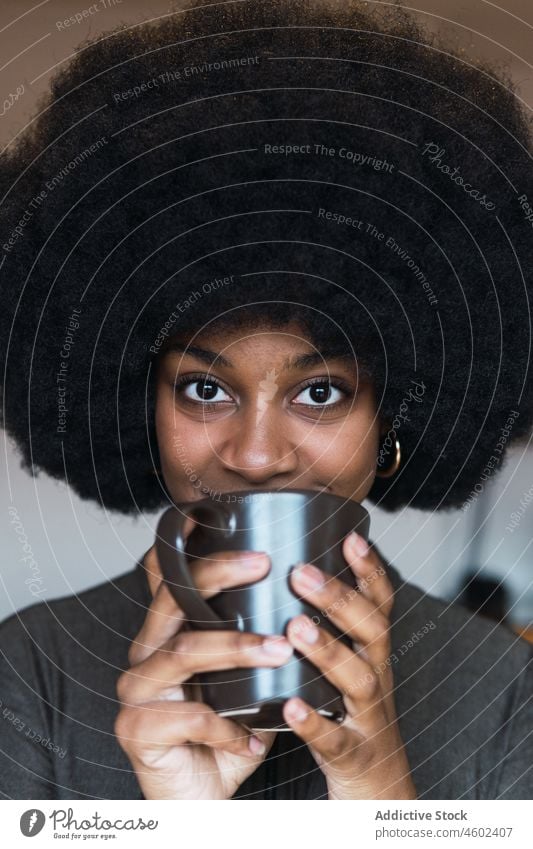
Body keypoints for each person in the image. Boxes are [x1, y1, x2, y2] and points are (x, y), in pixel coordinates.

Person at [1, 0, 532, 800]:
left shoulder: (500, 688)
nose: (254, 454)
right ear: (131, 401)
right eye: (204, 388)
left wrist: (378, 787)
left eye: (320, 390)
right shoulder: (31, 670)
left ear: (392, 417)